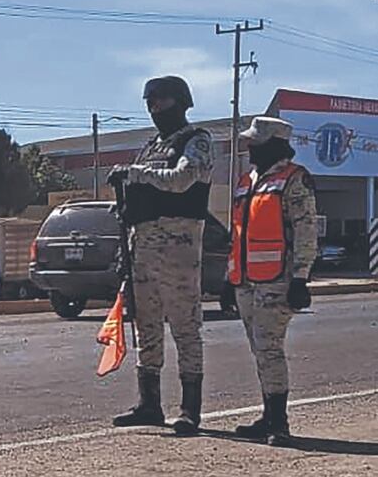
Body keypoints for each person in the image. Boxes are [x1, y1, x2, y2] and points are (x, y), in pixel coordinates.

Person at [107, 75, 214, 436]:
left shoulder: (196, 141)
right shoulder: (151, 145)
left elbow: (182, 180)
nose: (155, 108)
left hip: (178, 245)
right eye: (150, 102)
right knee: (146, 326)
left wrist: (135, 174)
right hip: (143, 246)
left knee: (185, 326)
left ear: (181, 102)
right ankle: (149, 404)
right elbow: (137, 189)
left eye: (162, 101)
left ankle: (189, 409)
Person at [220, 116, 318, 447]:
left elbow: (305, 231)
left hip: (278, 279)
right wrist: (228, 277)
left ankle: (279, 422)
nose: (249, 148)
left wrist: (300, 279)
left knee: (269, 348)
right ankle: (268, 416)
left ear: (274, 144)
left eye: (255, 143)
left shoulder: (294, 180)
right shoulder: (248, 180)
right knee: (258, 349)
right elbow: (238, 232)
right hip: (246, 280)